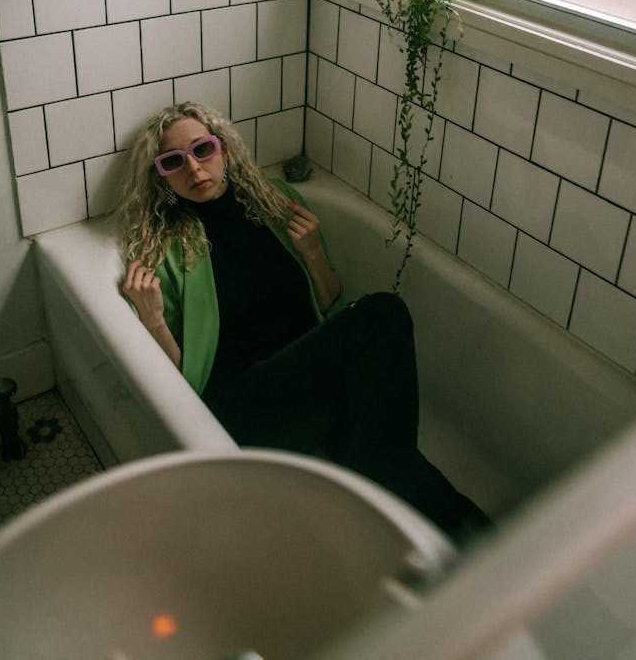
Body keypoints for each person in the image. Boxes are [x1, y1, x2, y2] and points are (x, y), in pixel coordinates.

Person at [118, 100, 490, 547]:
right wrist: (154, 320)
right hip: (244, 405)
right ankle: (456, 524)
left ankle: (424, 518)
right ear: (162, 176)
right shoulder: (166, 251)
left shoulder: (278, 204)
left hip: (307, 382)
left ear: (225, 151)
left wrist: (312, 252)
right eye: (174, 161)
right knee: (379, 316)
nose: (195, 169)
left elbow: (326, 301)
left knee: (379, 373)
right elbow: (182, 379)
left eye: (203, 150)